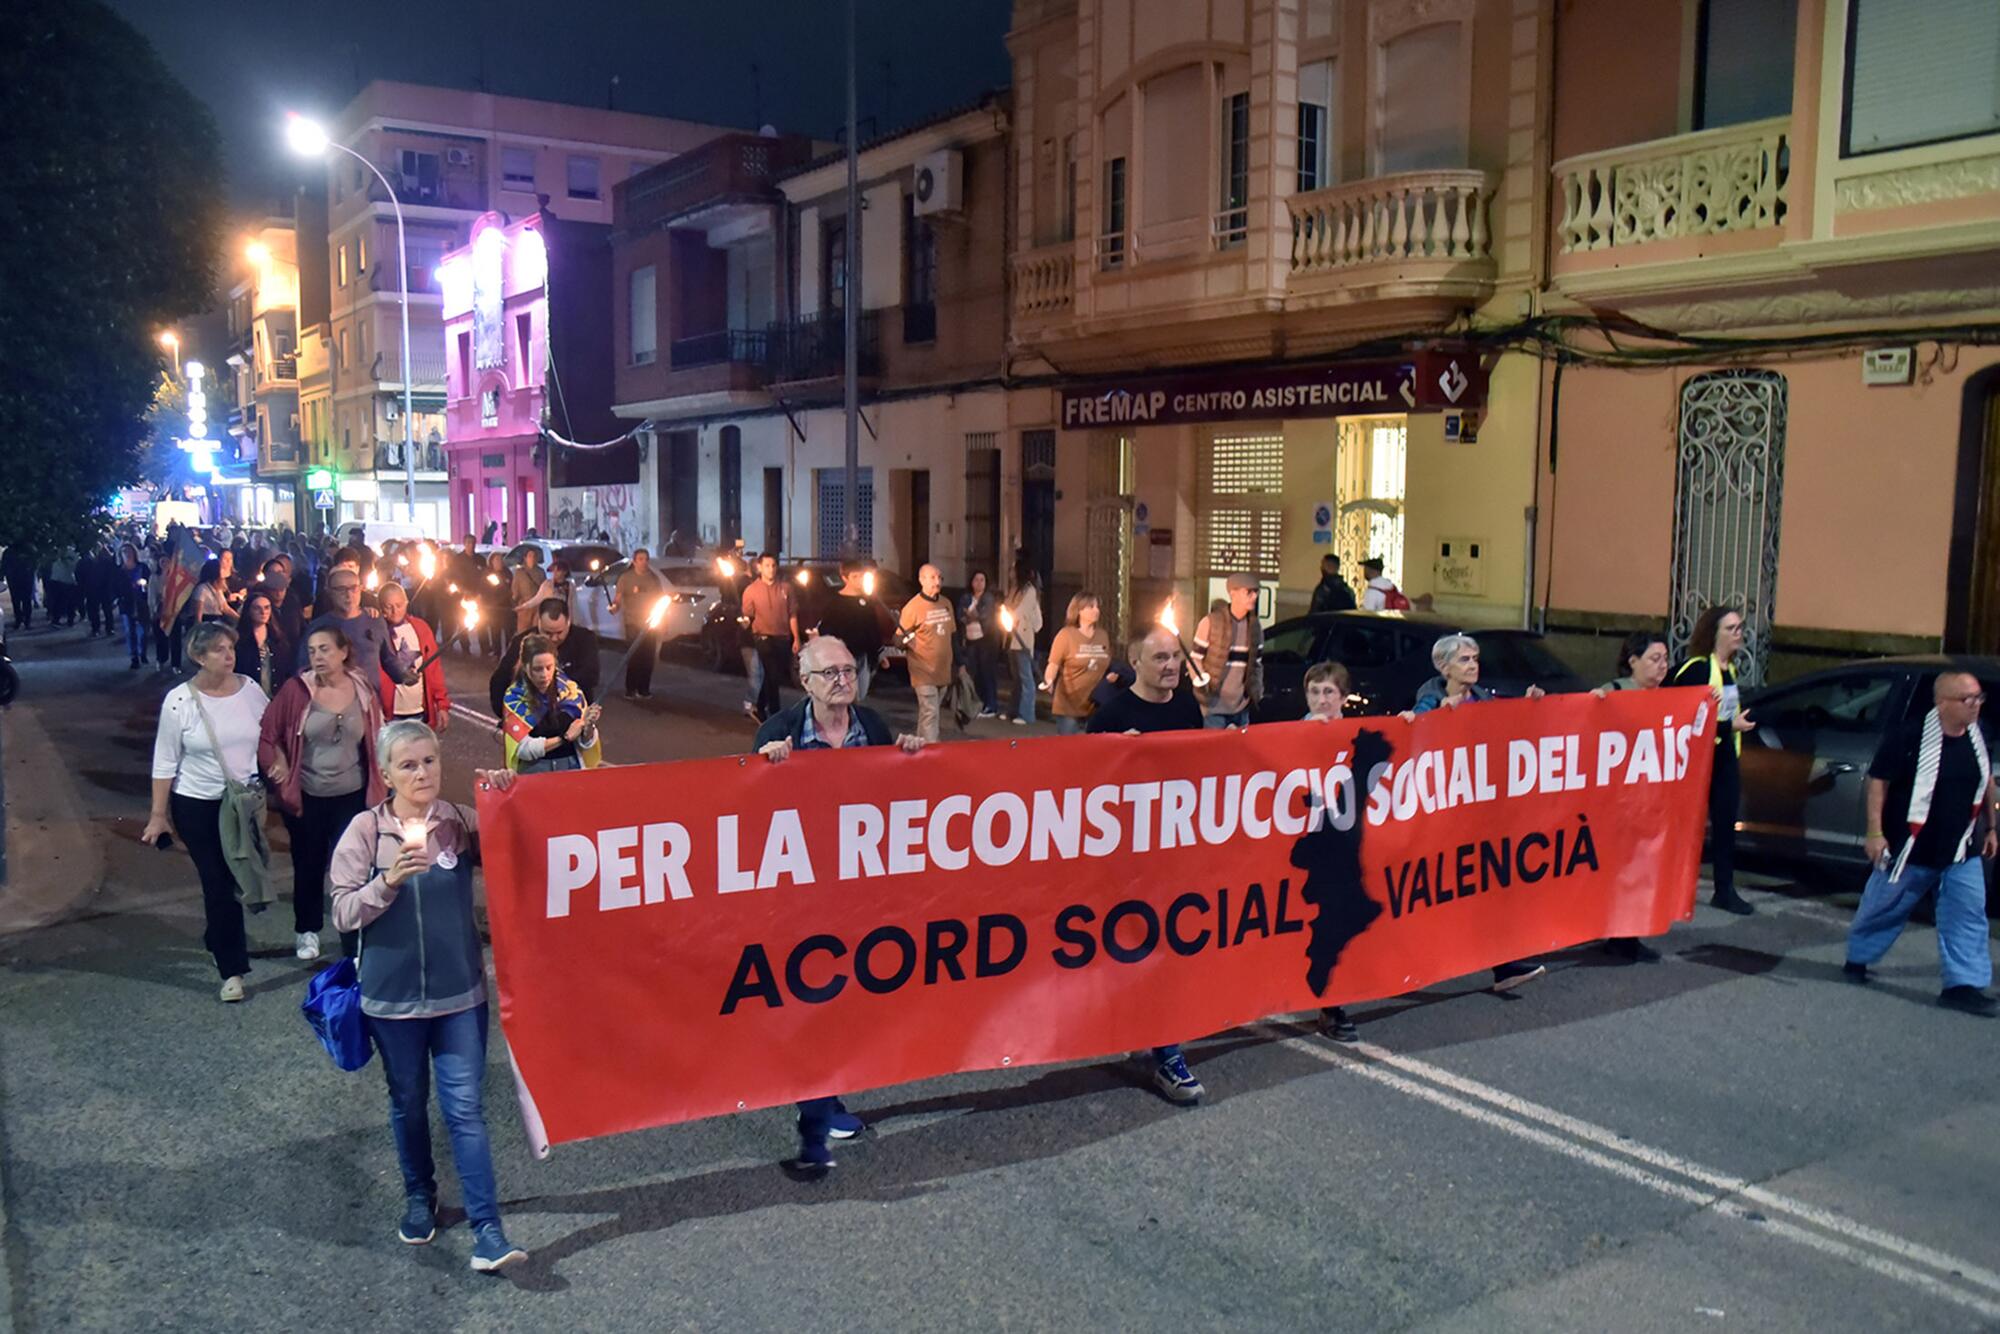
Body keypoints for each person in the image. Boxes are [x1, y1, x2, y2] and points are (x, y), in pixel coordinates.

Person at [328, 720, 529, 1271]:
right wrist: (387, 882)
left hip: (460, 995)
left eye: (430, 762)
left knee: (465, 1110)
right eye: (408, 765)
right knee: (408, 1105)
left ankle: (489, 1230)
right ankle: (421, 1196)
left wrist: (506, 798)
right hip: (391, 1004)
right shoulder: (365, 832)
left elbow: (522, 850)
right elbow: (343, 911)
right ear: (386, 773)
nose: (422, 773)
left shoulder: (457, 823)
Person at [753, 634, 928, 1174]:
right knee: (813, 1001)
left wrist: (911, 759)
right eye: (830, 673)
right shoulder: (779, 732)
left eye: (849, 670)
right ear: (804, 681)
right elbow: (739, 813)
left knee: (847, 1002)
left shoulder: (870, 727)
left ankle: (827, 1100)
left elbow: (892, 798)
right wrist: (761, 767)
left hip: (857, 894)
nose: (843, 681)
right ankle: (815, 1111)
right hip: (801, 896)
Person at [1087, 627, 1209, 1102]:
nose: (1171, 665)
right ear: (1134, 663)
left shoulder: (1185, 708)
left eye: (1175, 656)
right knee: (1132, 953)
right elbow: (1081, 784)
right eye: (1160, 657)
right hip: (1124, 861)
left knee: (1167, 952)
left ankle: (1165, 1051)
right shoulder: (1113, 715)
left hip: (1173, 854)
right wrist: (1116, 757)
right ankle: (1148, 1041)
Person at [1843, 671, 1997, 1016]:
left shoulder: (1978, 736)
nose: (1975, 706)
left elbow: (1986, 780)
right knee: (1883, 907)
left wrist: (1991, 827)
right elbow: (1879, 781)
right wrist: (1874, 832)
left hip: (1961, 848)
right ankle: (1858, 957)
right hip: (1910, 846)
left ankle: (1962, 985)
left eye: (1979, 699)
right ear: (1942, 703)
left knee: (1968, 915)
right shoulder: (1910, 736)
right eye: (1967, 700)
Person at [1405, 633, 1550, 993]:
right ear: (1444, 667)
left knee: (1486, 889)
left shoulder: (1481, 697)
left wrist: (1528, 705)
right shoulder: (1432, 698)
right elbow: (1416, 729)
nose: (1473, 665)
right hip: (1443, 814)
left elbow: (1505, 723)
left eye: (1475, 659)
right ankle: (1405, 961)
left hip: (1479, 814)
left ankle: (1505, 966)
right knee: (1439, 896)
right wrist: (1438, 715)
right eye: (1465, 660)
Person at [142, 622, 270, 1001]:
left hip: (243, 801)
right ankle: (232, 971)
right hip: (196, 804)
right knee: (217, 880)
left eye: (230, 647)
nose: (228, 655)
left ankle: (217, 936)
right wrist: (158, 814)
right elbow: (165, 761)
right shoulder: (179, 701)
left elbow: (271, 735)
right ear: (198, 657)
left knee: (237, 877)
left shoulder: (250, 691)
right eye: (218, 649)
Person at [258, 624, 386, 962]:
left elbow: (379, 738)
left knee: (353, 870)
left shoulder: (363, 690)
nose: (318, 657)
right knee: (309, 865)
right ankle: (307, 930)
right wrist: (279, 763)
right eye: (313, 650)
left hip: (353, 796)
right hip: (308, 796)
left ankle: (353, 939)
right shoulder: (295, 691)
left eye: (325, 649)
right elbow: (268, 735)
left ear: (344, 652)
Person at [1669, 607, 1759, 916]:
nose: (1738, 633)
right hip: (1697, 760)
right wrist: (1727, 727)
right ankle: (1672, 887)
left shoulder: (1729, 670)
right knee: (1683, 826)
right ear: (1714, 633)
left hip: (1724, 759)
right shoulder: (1694, 669)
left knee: (1724, 825)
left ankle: (1724, 890)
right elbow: (1679, 715)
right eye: (1731, 628)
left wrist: (1732, 728)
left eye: (1740, 627)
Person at [1591, 631, 1674, 962]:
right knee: (1619, 868)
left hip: (1650, 799)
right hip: (1618, 801)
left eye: (1666, 659)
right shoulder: (1611, 693)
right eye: (1654, 659)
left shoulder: (1668, 699)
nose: (1662, 666)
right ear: (1633, 662)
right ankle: (1616, 934)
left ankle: (1630, 933)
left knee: (1642, 867)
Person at [1300, 659, 1361, 1041]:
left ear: (1343, 696)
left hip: (1348, 840)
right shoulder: (1294, 733)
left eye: (1329, 692)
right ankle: (1327, 1002)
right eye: (1314, 692)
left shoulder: (1359, 731)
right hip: (1312, 842)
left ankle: (1334, 1002)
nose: (1321, 700)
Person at [501, 634, 603, 772]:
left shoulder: (572, 691)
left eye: (549, 667)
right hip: (535, 771)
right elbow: (524, 750)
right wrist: (564, 739)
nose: (544, 674)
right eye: (538, 669)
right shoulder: (514, 698)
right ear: (525, 667)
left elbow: (584, 743)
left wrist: (588, 727)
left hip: (571, 768)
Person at [488, 598, 600, 715]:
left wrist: (558, 688)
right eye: (548, 633)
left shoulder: (585, 639)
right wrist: (504, 714)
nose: (554, 639)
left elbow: (591, 675)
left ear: (568, 622)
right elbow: (500, 679)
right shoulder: (522, 642)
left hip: (573, 713)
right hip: (532, 716)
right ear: (539, 622)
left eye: (559, 632)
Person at [376, 583, 451, 732]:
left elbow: (433, 669)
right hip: (389, 714)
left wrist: (442, 704)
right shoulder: (377, 631)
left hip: (418, 710)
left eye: (399, 605)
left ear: (406, 603)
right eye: (388, 606)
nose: (395, 611)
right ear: (381, 608)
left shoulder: (420, 628)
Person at [1194, 573, 1265, 728]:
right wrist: (1201, 681)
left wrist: (1256, 689)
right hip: (1214, 706)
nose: (1254, 596)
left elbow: (1257, 664)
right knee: (1216, 749)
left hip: (1242, 706)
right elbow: (1195, 658)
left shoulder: (1255, 628)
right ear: (1233, 592)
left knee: (1240, 750)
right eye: (1249, 592)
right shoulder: (1210, 623)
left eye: (1256, 592)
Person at [899, 563, 956, 742]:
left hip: (943, 670)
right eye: (932, 577)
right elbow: (898, 639)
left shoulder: (946, 603)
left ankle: (919, 747)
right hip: (923, 670)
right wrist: (905, 640)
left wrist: (959, 664)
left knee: (930, 714)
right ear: (921, 580)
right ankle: (932, 751)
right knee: (930, 712)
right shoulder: (913, 607)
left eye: (939, 578)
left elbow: (952, 635)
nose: (937, 581)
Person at [814, 561, 887, 700]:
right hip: (843, 657)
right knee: (846, 693)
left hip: (863, 655)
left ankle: (855, 717)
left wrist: (880, 654)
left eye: (861, 576)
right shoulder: (835, 602)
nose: (859, 580)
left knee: (860, 692)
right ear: (845, 578)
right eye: (855, 576)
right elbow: (826, 628)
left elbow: (873, 628)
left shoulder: (866, 601)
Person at [1043, 591, 1113, 735]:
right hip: (1069, 704)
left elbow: (1107, 663)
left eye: (1097, 607)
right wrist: (1049, 680)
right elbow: (1053, 664)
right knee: (1071, 749)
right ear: (1079, 611)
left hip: (1095, 704)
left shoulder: (1102, 635)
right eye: (1091, 607)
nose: (1096, 610)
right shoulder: (1066, 635)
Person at [740, 553, 799, 724]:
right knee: (771, 673)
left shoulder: (786, 588)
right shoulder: (751, 590)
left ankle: (759, 706)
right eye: (767, 565)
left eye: (773, 565)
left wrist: (796, 638)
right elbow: (747, 616)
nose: (771, 569)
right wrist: (744, 623)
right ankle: (774, 713)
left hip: (783, 637)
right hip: (763, 637)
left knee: (775, 675)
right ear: (759, 567)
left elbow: (792, 614)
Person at [608, 547, 666, 699]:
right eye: (640, 559)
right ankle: (630, 689)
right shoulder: (626, 578)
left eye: (646, 559)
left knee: (648, 656)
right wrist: (614, 607)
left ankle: (644, 689)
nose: (644, 562)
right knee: (635, 656)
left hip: (650, 623)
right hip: (633, 621)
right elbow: (618, 598)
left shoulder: (653, 579)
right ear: (634, 562)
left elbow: (660, 600)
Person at [956, 571, 1002, 718]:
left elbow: (984, 616)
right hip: (970, 639)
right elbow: (961, 616)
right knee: (975, 672)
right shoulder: (966, 597)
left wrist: (972, 616)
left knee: (987, 672)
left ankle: (991, 705)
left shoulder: (988, 598)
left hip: (986, 639)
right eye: (976, 580)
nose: (979, 583)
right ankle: (979, 703)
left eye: (982, 580)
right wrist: (970, 616)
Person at [234, 590, 295, 696]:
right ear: (249, 611)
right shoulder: (239, 639)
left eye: (267, 607)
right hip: (248, 695)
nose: (263, 612)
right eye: (257, 608)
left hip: (274, 695)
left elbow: (286, 669)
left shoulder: (278, 637)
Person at [1005, 561, 1043, 726]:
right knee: (1016, 677)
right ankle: (1013, 710)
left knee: (1025, 676)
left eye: (1013, 569)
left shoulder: (1029, 591)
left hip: (1022, 637)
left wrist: (1008, 612)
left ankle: (1027, 713)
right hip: (1011, 637)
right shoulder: (1015, 590)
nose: (1010, 572)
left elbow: (1021, 611)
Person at [116, 543, 150, 670]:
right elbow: (116, 587)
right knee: (130, 630)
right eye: (124, 552)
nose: (127, 554)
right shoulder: (119, 571)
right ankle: (134, 656)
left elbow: (150, 581)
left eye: (129, 551)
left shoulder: (142, 567)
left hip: (142, 601)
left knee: (143, 631)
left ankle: (143, 652)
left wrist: (144, 585)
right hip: (127, 603)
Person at [478, 551, 511, 656]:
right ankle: (497, 653)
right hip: (493, 608)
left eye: (501, 559)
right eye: (497, 560)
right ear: (491, 562)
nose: (499, 562)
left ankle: (509, 654)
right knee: (495, 631)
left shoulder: (507, 573)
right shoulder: (487, 573)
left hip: (506, 607)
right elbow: (483, 590)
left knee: (508, 632)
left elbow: (511, 588)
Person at [192, 558, 239, 624]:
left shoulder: (218, 590)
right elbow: (197, 616)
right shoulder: (202, 589)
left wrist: (240, 619)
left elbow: (226, 608)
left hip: (216, 623)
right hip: (206, 623)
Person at [510, 546, 544, 634]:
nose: (532, 558)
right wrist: (514, 603)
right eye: (529, 556)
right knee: (523, 630)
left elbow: (544, 589)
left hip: (537, 605)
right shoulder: (520, 573)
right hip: (525, 605)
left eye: (534, 556)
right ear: (525, 558)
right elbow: (515, 590)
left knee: (536, 630)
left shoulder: (540, 572)